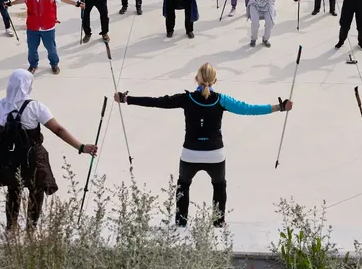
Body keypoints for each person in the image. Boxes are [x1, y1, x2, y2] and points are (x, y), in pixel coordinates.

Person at [112, 63, 294, 227]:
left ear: (196, 79)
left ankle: (181, 223)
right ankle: (218, 223)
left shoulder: (186, 98)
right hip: (215, 154)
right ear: (215, 80)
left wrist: (126, 99)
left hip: (190, 153)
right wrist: (279, 107)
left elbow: (156, 102)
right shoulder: (221, 100)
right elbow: (249, 109)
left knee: (183, 185)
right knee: (219, 186)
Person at [0, 69, 98, 231]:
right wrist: (81, 147)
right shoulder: (36, 107)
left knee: (13, 189)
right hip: (32, 158)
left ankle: (12, 228)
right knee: (36, 190)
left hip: (7, 158)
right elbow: (59, 130)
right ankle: (31, 228)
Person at [5, 0, 83, 74]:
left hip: (48, 27)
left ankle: (54, 64)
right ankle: (33, 65)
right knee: (32, 49)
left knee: (51, 49)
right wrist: (11, 3)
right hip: (33, 26)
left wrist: (76, 3)